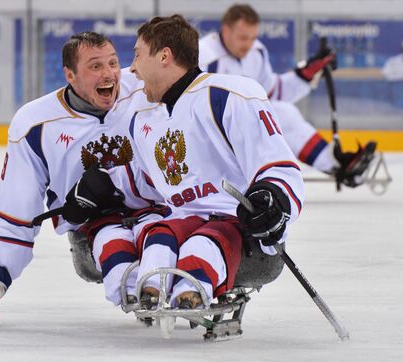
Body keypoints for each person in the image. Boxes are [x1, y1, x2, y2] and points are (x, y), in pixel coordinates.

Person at [67, 15, 304, 309]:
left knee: (203, 242)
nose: (133, 69)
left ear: (164, 56)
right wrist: (105, 186)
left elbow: (279, 166)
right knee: (159, 235)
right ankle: (150, 291)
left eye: (138, 54)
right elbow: (148, 182)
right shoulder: (142, 117)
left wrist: (274, 200)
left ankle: (191, 292)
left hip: (238, 225)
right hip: (181, 221)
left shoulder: (229, 95)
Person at [0, 31, 169, 327]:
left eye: (113, 63)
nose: (109, 74)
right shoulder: (36, 125)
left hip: (159, 212)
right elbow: (17, 210)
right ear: (70, 74)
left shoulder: (148, 88)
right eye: (95, 67)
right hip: (93, 224)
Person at [199, 4, 377, 188]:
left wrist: (305, 75)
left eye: (253, 38)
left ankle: (337, 165)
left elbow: (272, 94)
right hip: (209, 134)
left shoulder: (256, 52)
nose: (248, 45)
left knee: (284, 112)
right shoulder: (204, 56)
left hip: (238, 128)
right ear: (226, 31)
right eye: (243, 38)